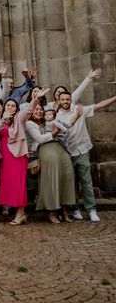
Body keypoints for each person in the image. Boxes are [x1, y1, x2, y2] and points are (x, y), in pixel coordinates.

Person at [57, 90, 116, 222]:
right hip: (67, 152)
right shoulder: (57, 116)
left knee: (86, 181)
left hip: (82, 150)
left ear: (70, 100)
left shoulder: (80, 110)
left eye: (67, 99)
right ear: (59, 101)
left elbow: (99, 106)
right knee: (71, 183)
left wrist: (114, 98)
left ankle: (91, 210)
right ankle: (75, 208)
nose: (65, 102)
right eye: (63, 99)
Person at [0, 90, 47, 225]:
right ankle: (14, 210)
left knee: (19, 184)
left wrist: (35, 99)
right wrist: (3, 118)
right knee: (8, 183)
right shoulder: (0, 121)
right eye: (8, 106)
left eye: (13, 106)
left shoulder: (20, 117)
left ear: (17, 108)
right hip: (5, 156)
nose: (10, 107)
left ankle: (21, 213)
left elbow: (29, 110)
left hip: (17, 155)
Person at [26, 104, 78, 224]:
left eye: (40, 109)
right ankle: (51, 210)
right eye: (36, 109)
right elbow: (39, 138)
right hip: (45, 148)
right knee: (51, 178)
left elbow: (67, 125)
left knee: (67, 174)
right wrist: (55, 132)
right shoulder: (30, 124)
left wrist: (77, 115)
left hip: (59, 148)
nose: (39, 111)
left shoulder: (49, 120)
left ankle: (64, 209)